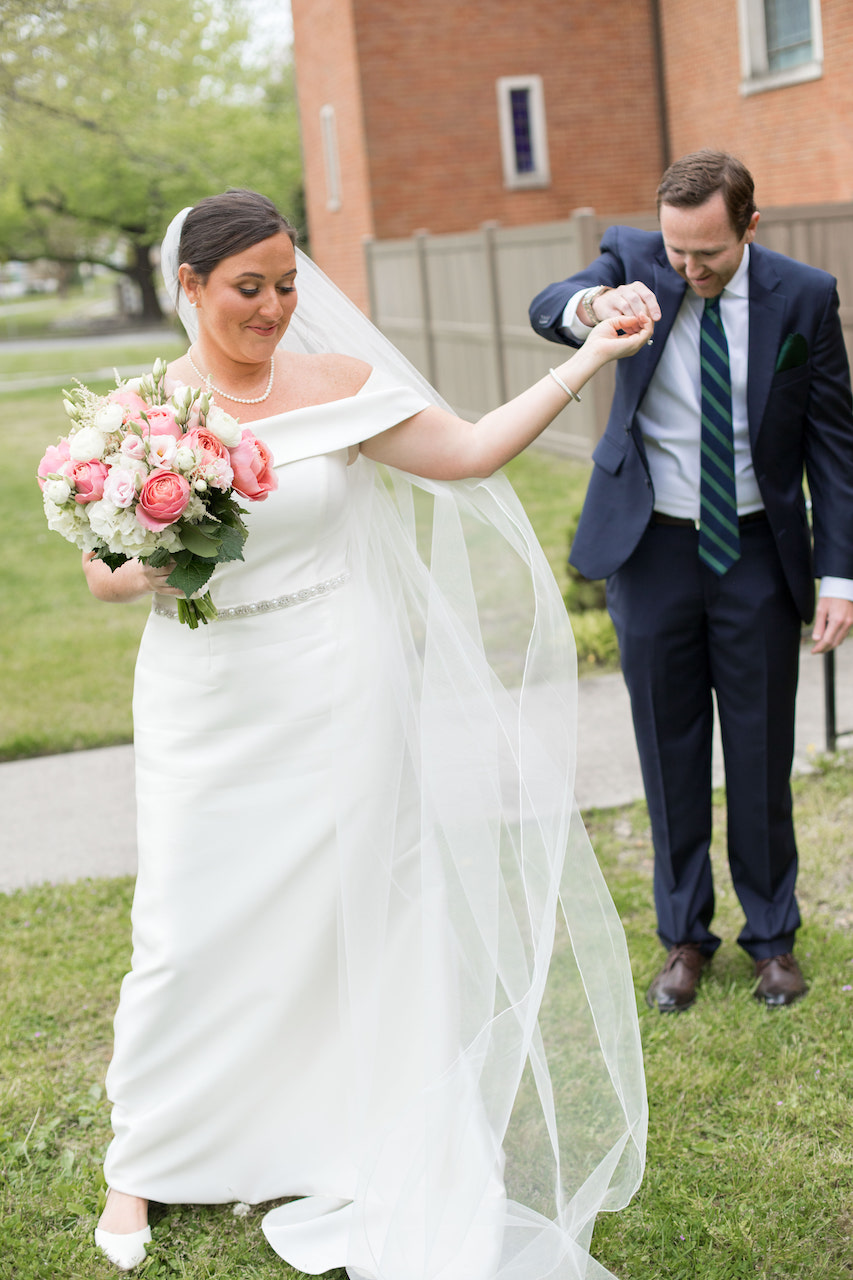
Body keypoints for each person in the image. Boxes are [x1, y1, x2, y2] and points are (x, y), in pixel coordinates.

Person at [85, 189, 651, 1278]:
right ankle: (143, 1157)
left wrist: (592, 358)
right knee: (183, 923)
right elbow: (103, 572)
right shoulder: (140, 413)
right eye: (248, 287)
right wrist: (159, 551)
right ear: (191, 286)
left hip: (338, 685)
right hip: (205, 697)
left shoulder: (340, 386)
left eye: (288, 284)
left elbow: (474, 451)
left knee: (361, 911)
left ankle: (343, 1129)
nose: (274, 307)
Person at [529, 150, 853, 1014]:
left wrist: (839, 574)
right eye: (675, 249)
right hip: (652, 549)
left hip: (753, 549)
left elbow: (833, 444)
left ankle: (772, 939)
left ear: (749, 225)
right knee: (668, 751)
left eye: (705, 252)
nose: (686, 268)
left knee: (757, 751)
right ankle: (683, 938)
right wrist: (595, 303)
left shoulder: (804, 296)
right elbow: (547, 308)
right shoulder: (632, 263)